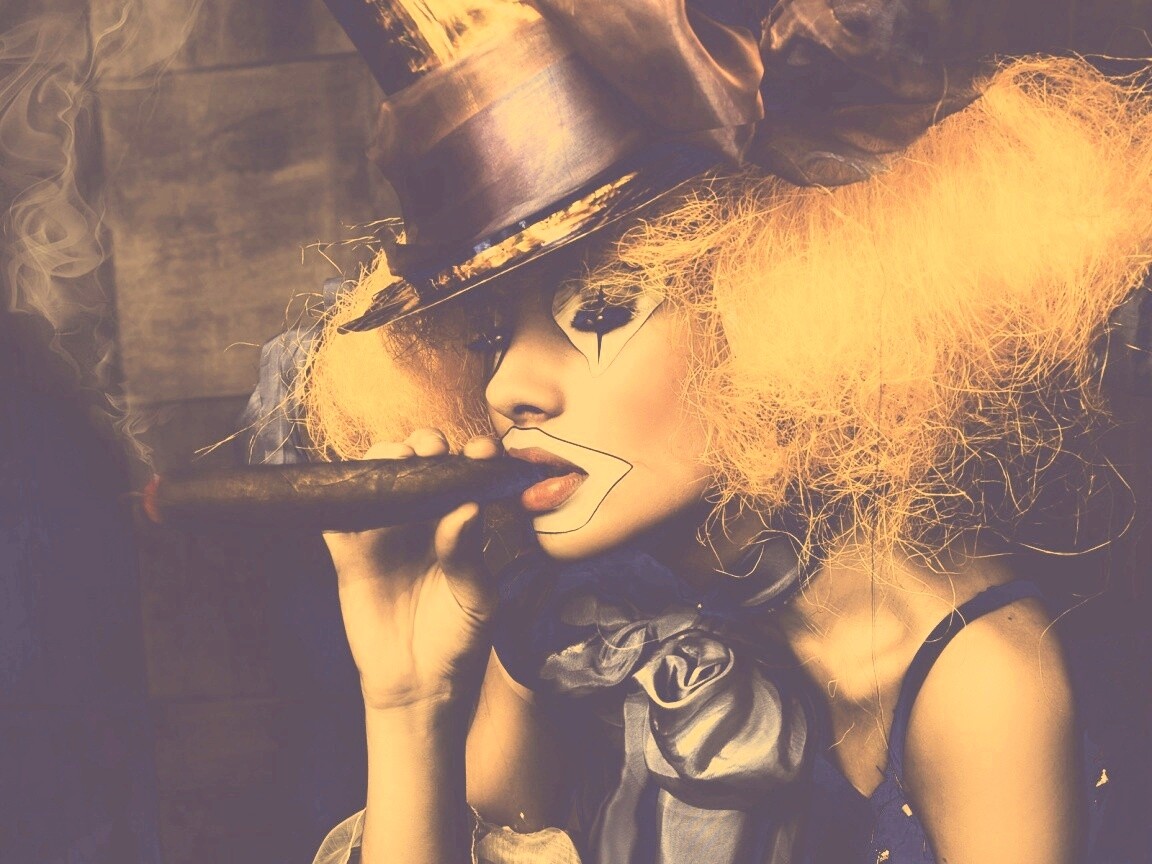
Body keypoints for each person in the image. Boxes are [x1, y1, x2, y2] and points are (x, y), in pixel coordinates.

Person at [276, 45, 1152, 863]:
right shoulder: (566, 624)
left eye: (602, 307)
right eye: (490, 333)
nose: (507, 387)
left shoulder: (979, 678)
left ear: (776, 301)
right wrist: (408, 701)